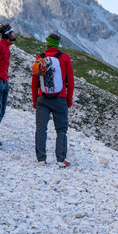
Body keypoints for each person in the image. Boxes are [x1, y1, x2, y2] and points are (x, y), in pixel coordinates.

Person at [31, 33, 74, 167]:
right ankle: (61, 160)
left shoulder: (40, 58)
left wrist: (34, 100)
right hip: (60, 98)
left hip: (42, 97)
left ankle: (41, 159)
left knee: (41, 128)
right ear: (58, 44)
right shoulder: (65, 57)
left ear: (47, 43)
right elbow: (71, 81)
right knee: (61, 129)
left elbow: (35, 81)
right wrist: (69, 100)